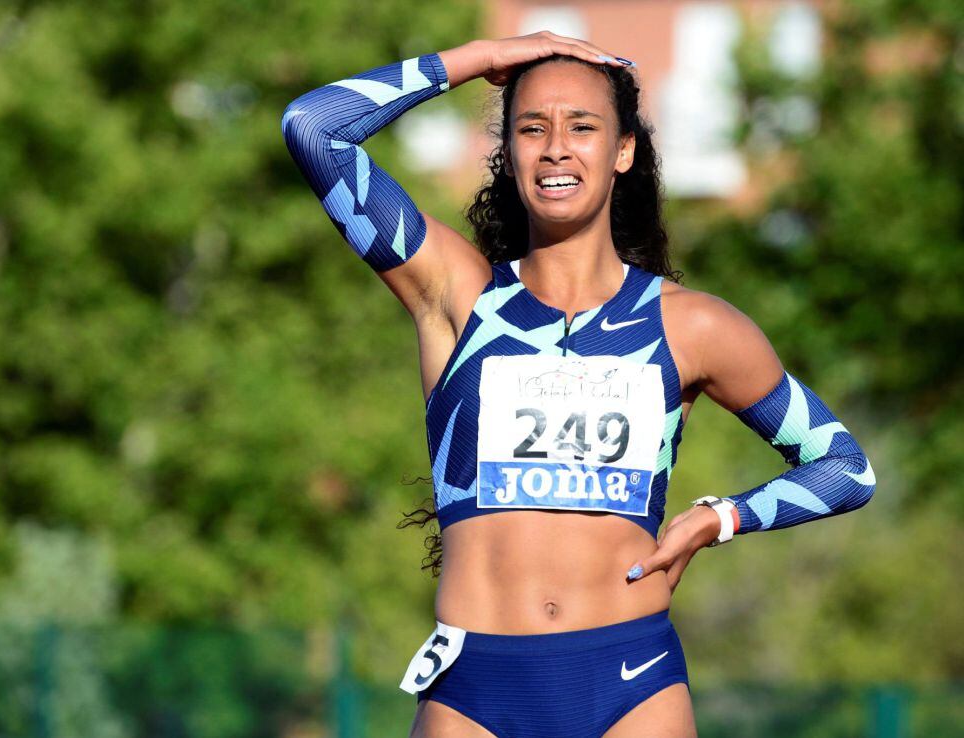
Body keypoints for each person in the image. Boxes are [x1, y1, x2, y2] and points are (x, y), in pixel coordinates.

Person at [282, 32, 876, 738]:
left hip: (631, 684)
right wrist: (479, 59)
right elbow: (313, 128)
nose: (556, 147)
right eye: (532, 128)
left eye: (582, 127)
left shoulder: (692, 327)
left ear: (623, 150)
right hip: (474, 688)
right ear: (509, 157)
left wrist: (720, 518)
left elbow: (846, 467)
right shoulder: (455, 294)